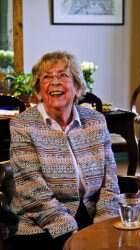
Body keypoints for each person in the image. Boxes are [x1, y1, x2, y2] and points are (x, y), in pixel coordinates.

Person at [5, 51, 119, 250]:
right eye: (47, 77)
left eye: (63, 75)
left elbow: (110, 181)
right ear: (38, 90)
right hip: (40, 223)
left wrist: (105, 222)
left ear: (77, 87)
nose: (55, 82)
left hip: (91, 217)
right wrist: (69, 231)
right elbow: (33, 192)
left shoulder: (95, 121)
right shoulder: (23, 125)